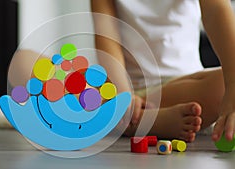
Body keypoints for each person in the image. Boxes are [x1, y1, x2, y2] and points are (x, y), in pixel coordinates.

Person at [91, 0, 235, 142]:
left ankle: (136, 120)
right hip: (136, 92)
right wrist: (123, 96)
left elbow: (216, 8)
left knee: (223, 84)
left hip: (188, 85)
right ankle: (135, 118)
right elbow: (107, 37)